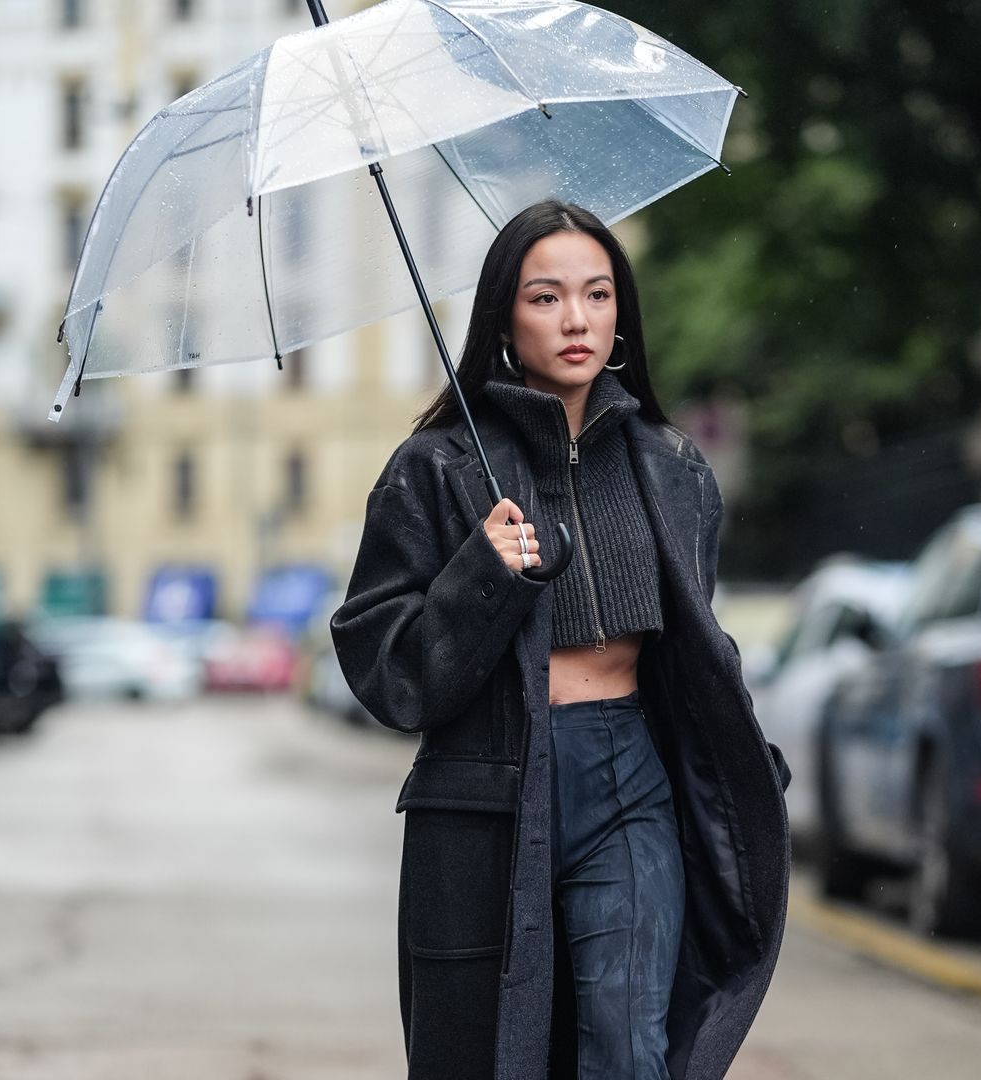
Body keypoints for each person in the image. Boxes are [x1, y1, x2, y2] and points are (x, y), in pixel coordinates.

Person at [331, 200, 791, 1080]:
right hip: (487, 791)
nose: (576, 319)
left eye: (597, 293)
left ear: (622, 314)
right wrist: (481, 575)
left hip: (629, 780)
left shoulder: (670, 464)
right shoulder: (436, 467)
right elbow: (385, 672)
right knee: (495, 1054)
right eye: (545, 297)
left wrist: (740, 754)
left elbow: (700, 645)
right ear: (504, 316)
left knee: (628, 1047)